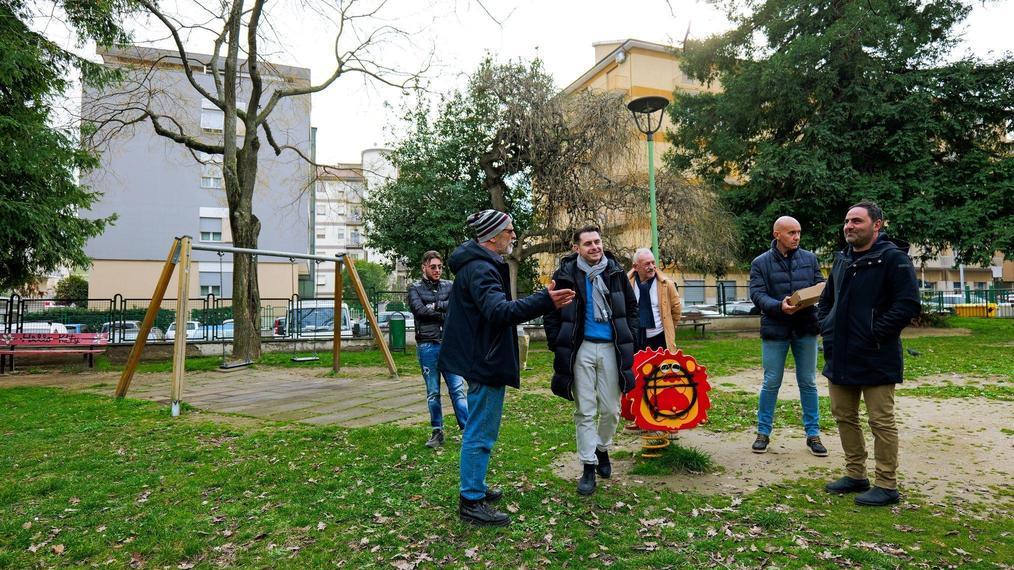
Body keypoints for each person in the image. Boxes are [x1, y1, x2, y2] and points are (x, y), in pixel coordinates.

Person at [439, 209, 575, 526]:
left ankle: (476, 487)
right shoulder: (481, 270)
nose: (513, 236)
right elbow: (499, 312)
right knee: (480, 432)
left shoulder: (480, 265)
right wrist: (545, 300)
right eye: (509, 231)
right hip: (484, 361)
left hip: (481, 357)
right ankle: (471, 501)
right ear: (491, 236)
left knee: (480, 428)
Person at [818, 201, 920, 506]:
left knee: (881, 421)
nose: (849, 226)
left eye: (857, 221)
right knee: (843, 416)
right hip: (841, 353)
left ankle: (887, 484)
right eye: (847, 221)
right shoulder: (841, 259)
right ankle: (855, 474)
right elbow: (826, 300)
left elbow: (908, 304)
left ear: (877, 225)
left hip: (876, 353)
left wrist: (875, 332)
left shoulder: (893, 258)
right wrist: (826, 325)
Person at [544, 225, 638, 496]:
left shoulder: (616, 272)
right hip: (580, 348)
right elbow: (551, 311)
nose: (595, 247)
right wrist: (556, 341)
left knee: (611, 409)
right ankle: (588, 466)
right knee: (585, 410)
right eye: (588, 244)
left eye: (597, 242)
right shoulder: (564, 275)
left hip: (612, 348)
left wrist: (630, 337)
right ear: (577, 248)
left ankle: (602, 448)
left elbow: (631, 308)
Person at [748, 216, 828, 456]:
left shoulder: (810, 258)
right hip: (775, 329)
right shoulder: (760, 263)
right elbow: (757, 294)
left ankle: (813, 434)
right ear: (777, 235)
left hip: (805, 328)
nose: (796, 237)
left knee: (809, 382)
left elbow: (821, 285)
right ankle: (763, 433)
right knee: (771, 382)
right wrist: (778, 306)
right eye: (791, 232)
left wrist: (813, 296)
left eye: (799, 232)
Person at [407, 250, 467, 449]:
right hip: (427, 344)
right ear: (424, 267)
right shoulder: (414, 288)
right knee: (433, 392)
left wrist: (435, 305)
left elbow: (458, 305)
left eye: (440, 267)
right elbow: (419, 311)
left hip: (450, 343)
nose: (437, 270)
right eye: (433, 267)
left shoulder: (449, 285)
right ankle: (437, 432)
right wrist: (443, 313)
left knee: (458, 390)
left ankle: (467, 431)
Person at [626, 247, 682, 351]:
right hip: (635, 340)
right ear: (635, 267)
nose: (652, 267)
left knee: (661, 367)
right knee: (637, 367)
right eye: (647, 264)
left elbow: (676, 309)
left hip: (660, 339)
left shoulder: (666, 284)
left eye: (653, 262)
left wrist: (669, 328)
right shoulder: (626, 284)